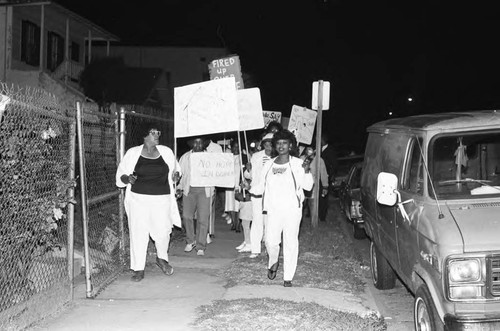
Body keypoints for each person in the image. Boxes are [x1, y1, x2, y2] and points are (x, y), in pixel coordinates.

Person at [247, 130, 313, 287]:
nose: (281, 146)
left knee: (290, 242)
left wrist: (307, 170)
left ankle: (288, 276)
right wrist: (248, 187)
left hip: (292, 210)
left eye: (285, 143)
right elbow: (260, 186)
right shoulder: (269, 164)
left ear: (290, 145)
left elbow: (308, 186)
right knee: (270, 241)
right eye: (278, 143)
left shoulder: (298, 163)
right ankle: (273, 260)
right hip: (274, 210)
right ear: (275, 146)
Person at [115, 127, 181, 282]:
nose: (157, 135)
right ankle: (138, 268)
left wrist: (176, 176)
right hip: (139, 200)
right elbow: (121, 176)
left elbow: (176, 172)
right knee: (138, 232)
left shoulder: (166, 152)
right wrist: (128, 179)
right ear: (144, 136)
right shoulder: (132, 153)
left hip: (162, 199)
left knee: (163, 231)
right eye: (153, 132)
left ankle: (162, 258)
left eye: (158, 132)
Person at [177, 136, 214, 256]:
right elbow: (181, 174)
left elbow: (216, 174)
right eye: (195, 143)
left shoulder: (210, 158)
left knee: (202, 219)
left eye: (200, 143)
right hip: (189, 190)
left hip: (204, 190)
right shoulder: (185, 157)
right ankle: (190, 240)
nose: (197, 145)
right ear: (192, 144)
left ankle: (200, 245)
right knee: (187, 216)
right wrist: (178, 188)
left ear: (204, 144)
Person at [245, 132, 275, 259]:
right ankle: (255, 249)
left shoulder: (278, 158)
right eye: (266, 145)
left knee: (270, 222)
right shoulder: (256, 156)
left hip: (272, 195)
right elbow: (249, 176)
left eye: (270, 145)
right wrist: (248, 169)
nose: (268, 148)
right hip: (257, 193)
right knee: (257, 221)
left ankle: (269, 249)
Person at [301, 145, 329, 221]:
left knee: (313, 204)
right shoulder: (301, 159)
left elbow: (323, 173)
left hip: (314, 186)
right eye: (306, 149)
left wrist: (325, 186)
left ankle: (314, 222)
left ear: (314, 150)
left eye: (310, 149)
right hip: (302, 186)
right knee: (301, 204)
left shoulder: (319, 160)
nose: (308, 151)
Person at [205, 138, 223, 243]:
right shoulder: (198, 145)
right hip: (198, 181)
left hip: (211, 181)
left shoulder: (217, 148)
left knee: (209, 209)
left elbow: (220, 164)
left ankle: (208, 232)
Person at [319, 132, 338, 221]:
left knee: (324, 197)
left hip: (325, 177)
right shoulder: (318, 149)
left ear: (323, 139)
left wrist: (329, 175)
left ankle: (322, 216)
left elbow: (334, 164)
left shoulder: (330, 150)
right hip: (318, 177)